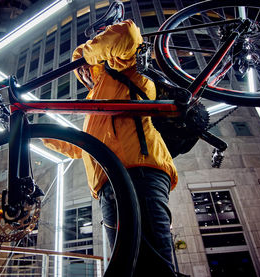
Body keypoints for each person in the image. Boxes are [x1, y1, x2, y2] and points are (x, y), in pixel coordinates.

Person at [42, 5, 187, 276]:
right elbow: (83, 146)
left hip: (138, 174)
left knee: (152, 269)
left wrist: (85, 54)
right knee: (129, 269)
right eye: (82, 71)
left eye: (86, 68)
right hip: (111, 184)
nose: (83, 74)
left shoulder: (126, 69)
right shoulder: (97, 97)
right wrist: (42, 135)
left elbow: (129, 33)